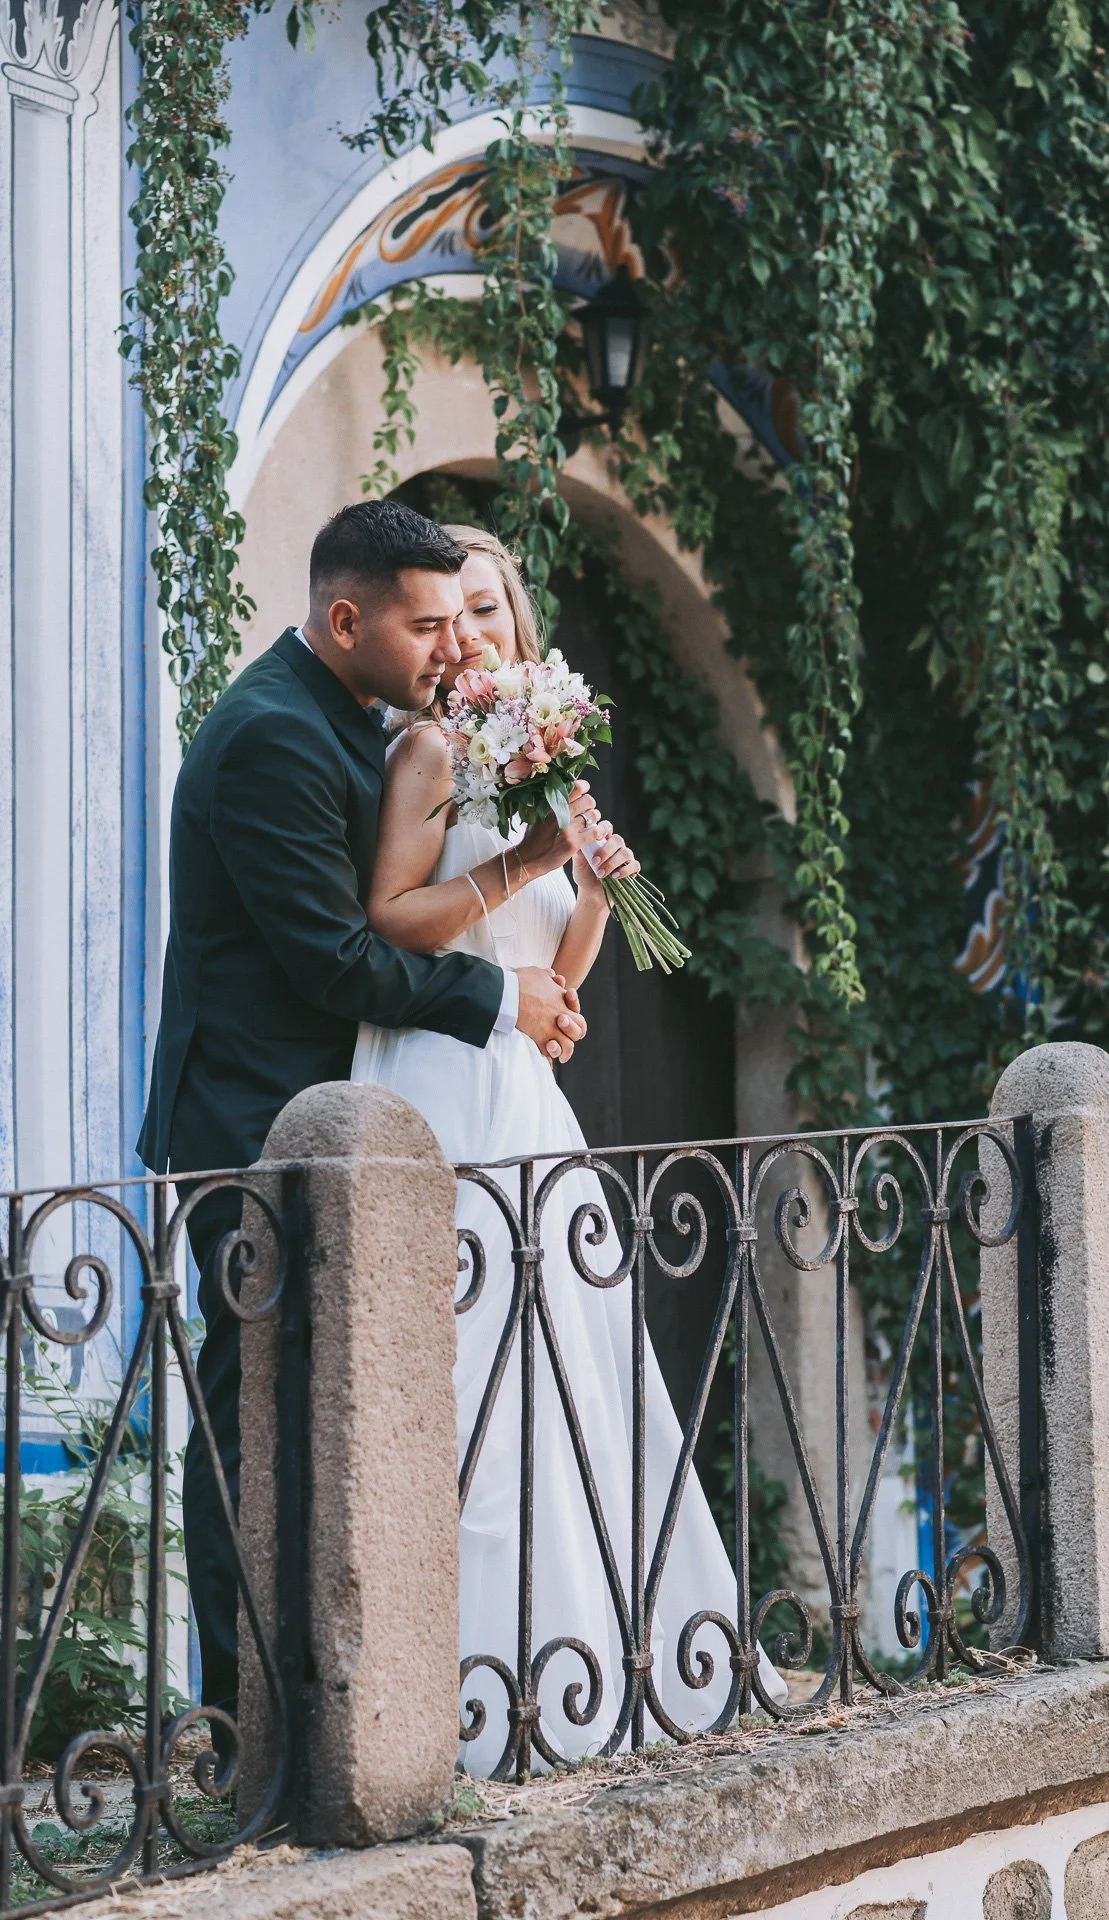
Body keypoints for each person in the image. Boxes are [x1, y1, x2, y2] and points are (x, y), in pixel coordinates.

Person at [137, 502, 589, 1737]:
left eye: (462, 619)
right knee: (253, 1427)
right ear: (347, 619)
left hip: (339, 1126)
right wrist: (500, 994)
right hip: (250, 1128)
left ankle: (346, 1703)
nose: (453, 647)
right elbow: (334, 960)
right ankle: (246, 1730)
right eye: (426, 624)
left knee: (332, 1422)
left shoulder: (356, 717)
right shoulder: (270, 737)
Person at [352, 524, 779, 1774]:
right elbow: (391, 917)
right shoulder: (431, 748)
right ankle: (460, 1700)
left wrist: (588, 889)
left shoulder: (542, 753)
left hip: (530, 1097)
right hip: (441, 1081)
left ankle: (592, 1671)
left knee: (574, 1385)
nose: (470, 632)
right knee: (469, 1382)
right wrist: (531, 861)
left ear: (517, 624)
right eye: (447, 613)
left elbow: (561, 991)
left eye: (488, 608)